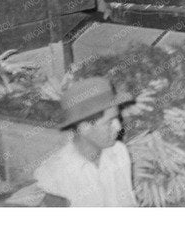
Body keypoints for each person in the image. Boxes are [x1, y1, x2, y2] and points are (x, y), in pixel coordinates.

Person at [32, 77, 137, 206]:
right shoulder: (52, 176)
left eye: (118, 118)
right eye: (109, 122)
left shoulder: (119, 152)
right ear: (84, 127)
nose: (118, 127)